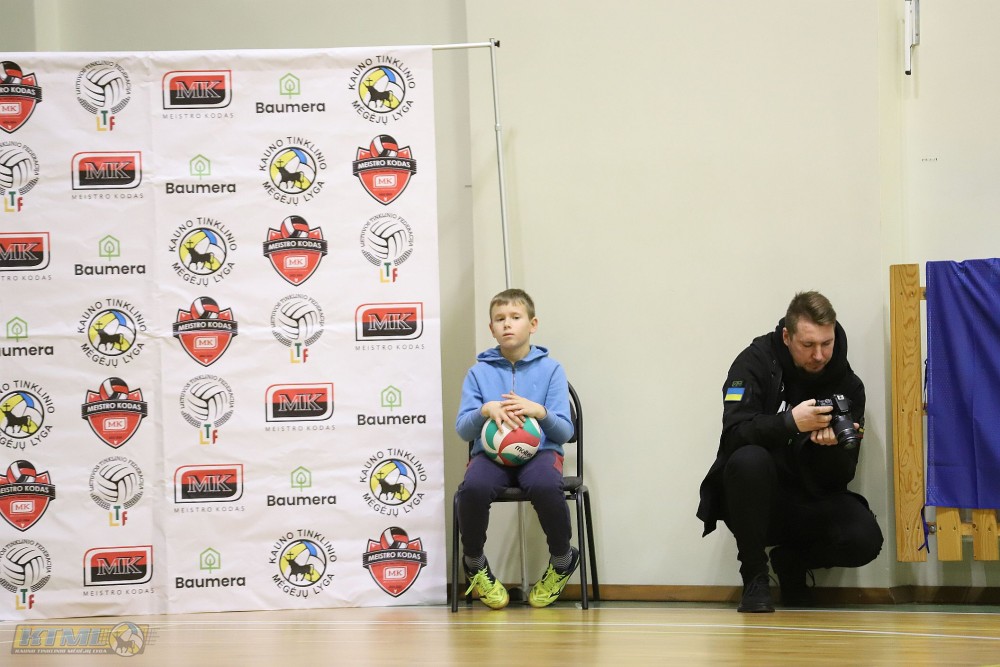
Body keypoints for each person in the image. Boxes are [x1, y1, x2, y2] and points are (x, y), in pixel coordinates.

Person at [696, 291, 883, 613]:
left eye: (826, 343)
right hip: (758, 502)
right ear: (787, 336)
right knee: (748, 459)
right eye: (808, 345)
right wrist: (790, 423)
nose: (819, 355)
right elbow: (734, 435)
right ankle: (754, 576)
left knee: (864, 539)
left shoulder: (848, 385)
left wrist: (833, 448)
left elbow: (845, 474)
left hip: (812, 499)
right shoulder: (754, 363)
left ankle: (792, 562)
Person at [455, 288, 578, 609]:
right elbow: (463, 429)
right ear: (491, 328)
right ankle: (474, 563)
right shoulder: (478, 373)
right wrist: (484, 410)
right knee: (472, 488)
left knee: (545, 484)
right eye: (499, 319)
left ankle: (562, 560)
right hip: (490, 456)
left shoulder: (551, 370)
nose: (507, 324)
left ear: (532, 324)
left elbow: (566, 432)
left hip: (541, 453)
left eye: (515, 317)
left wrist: (540, 412)